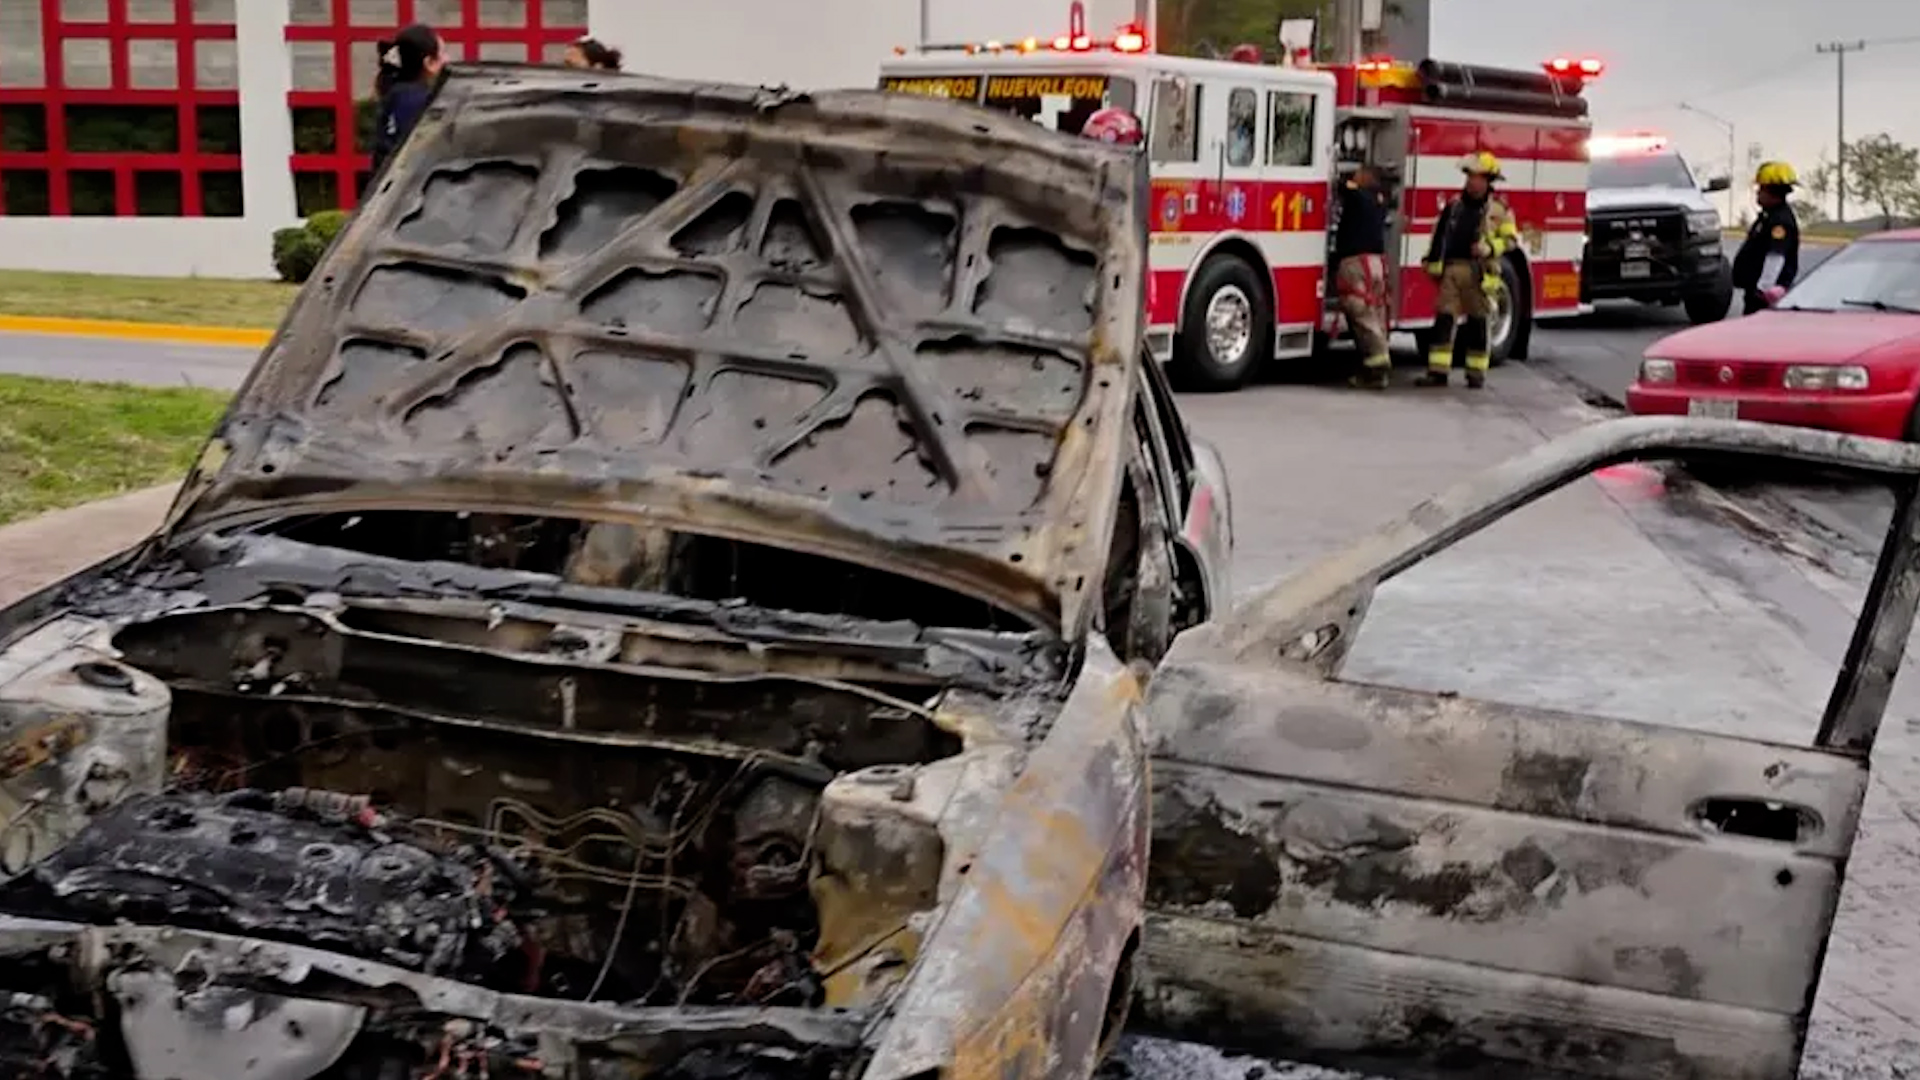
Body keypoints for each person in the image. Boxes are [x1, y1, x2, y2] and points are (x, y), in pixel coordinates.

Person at [1418, 150, 1519, 389]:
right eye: (1470, 177)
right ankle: (1437, 372)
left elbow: (1511, 241)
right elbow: (1440, 236)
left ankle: (1475, 374)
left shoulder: (1499, 210)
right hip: (1452, 269)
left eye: (1477, 177)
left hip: (1479, 272)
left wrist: (1488, 248)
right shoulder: (1454, 206)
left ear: (1488, 181)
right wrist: (1432, 264)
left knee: (1477, 323)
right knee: (1443, 318)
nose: (1472, 182)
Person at [1332, 165, 1392, 389]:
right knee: (1376, 311)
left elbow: (1341, 186)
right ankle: (1374, 370)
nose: (1354, 176)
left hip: (1356, 263)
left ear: (1366, 178)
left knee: (1359, 310)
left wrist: (1340, 176)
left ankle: (1379, 361)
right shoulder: (1378, 200)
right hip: (1376, 264)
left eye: (1358, 173)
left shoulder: (1356, 195)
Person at [370, 23, 445, 178]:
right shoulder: (417, 100)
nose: (447, 60)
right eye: (442, 54)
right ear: (429, 63)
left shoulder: (398, 94)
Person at [1732, 160, 1800, 315]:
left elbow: (1775, 257)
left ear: (1773, 193)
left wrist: (1762, 290)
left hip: (1766, 297)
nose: (1757, 192)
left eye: (1761, 189)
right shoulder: (1768, 217)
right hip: (1755, 291)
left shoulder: (1780, 222)